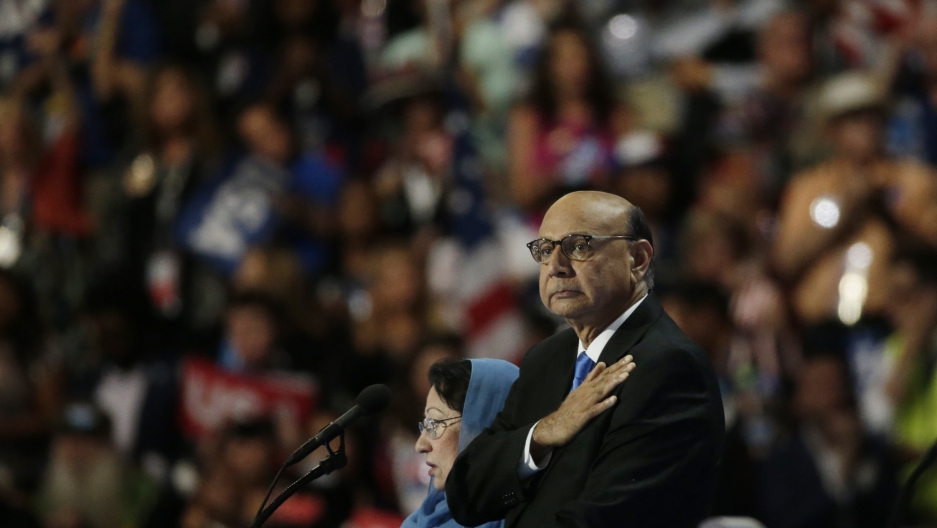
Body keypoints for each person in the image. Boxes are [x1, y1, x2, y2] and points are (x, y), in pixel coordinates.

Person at [445, 191, 725, 528]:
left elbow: (609, 519)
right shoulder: (545, 359)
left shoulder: (669, 366)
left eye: (579, 246)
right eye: (545, 250)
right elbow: (465, 493)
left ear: (637, 259)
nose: (556, 267)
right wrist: (541, 434)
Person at [403, 357, 519, 528]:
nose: (420, 445)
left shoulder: (534, 517)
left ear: (482, 428)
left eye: (435, 423)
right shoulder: (419, 522)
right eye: (426, 425)